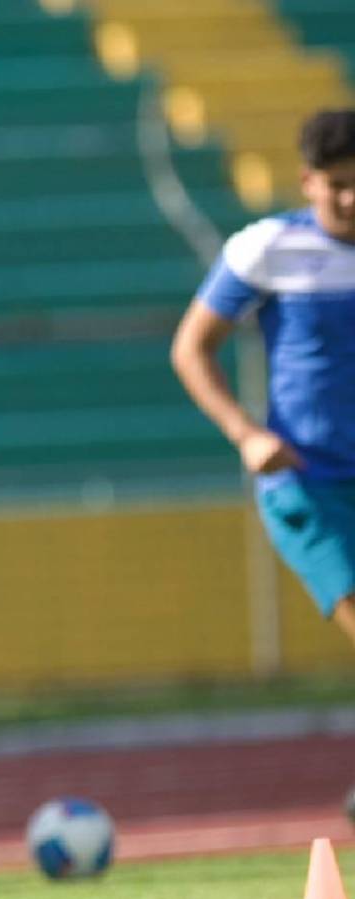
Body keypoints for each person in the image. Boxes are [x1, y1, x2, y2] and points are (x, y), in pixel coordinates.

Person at [171, 108, 355, 646]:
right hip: (307, 479)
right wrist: (246, 434)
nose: (352, 201)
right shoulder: (268, 248)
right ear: (307, 181)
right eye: (339, 186)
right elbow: (191, 349)